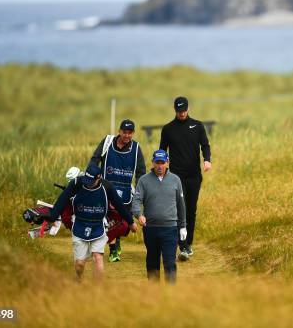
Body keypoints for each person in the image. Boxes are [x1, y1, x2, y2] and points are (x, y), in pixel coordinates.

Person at [44, 163, 137, 281]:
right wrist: (51, 218)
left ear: (98, 178)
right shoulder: (76, 183)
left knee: (98, 257)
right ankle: (78, 277)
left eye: (90, 181)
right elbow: (61, 201)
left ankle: (97, 291)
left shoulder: (107, 187)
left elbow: (119, 206)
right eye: (86, 179)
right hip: (79, 226)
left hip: (98, 227)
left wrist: (130, 222)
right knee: (80, 264)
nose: (86, 183)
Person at [159, 96, 211, 261]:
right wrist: (161, 170)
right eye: (179, 111)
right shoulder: (168, 129)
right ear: (175, 110)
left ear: (188, 109)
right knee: (180, 210)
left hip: (194, 176)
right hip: (176, 177)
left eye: (184, 111)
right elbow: (162, 151)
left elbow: (205, 145)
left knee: (191, 211)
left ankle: (188, 243)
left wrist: (207, 160)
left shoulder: (197, 126)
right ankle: (181, 245)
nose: (181, 114)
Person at [90, 118, 146, 262]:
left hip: (125, 190)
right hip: (105, 188)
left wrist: (139, 190)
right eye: (124, 132)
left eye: (130, 133)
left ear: (133, 133)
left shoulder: (136, 148)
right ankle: (113, 250)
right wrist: (91, 177)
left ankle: (116, 243)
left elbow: (140, 171)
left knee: (122, 222)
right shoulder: (108, 142)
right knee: (107, 220)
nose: (127, 135)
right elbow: (95, 159)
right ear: (119, 131)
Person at [132, 150, 187, 284]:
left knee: (169, 262)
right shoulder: (144, 180)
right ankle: (154, 293)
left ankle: (170, 293)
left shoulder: (175, 180)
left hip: (170, 228)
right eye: (157, 163)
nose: (160, 166)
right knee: (152, 261)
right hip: (150, 228)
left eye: (162, 163)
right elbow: (137, 200)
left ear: (167, 163)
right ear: (153, 163)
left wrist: (183, 226)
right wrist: (139, 215)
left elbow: (181, 205)